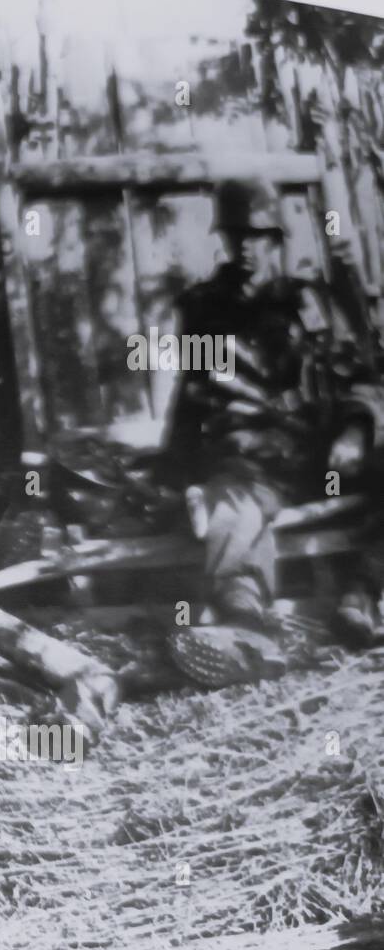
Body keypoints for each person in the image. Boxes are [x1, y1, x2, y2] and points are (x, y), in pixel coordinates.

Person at [162, 178, 384, 686]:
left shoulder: (307, 305)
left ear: (277, 240)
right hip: (249, 456)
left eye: (258, 235)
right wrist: (171, 469)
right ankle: (244, 624)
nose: (246, 246)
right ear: (222, 237)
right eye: (237, 233)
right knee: (234, 505)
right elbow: (190, 394)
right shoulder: (203, 309)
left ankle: (361, 595)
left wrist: (353, 431)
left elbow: (360, 380)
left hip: (320, 455)